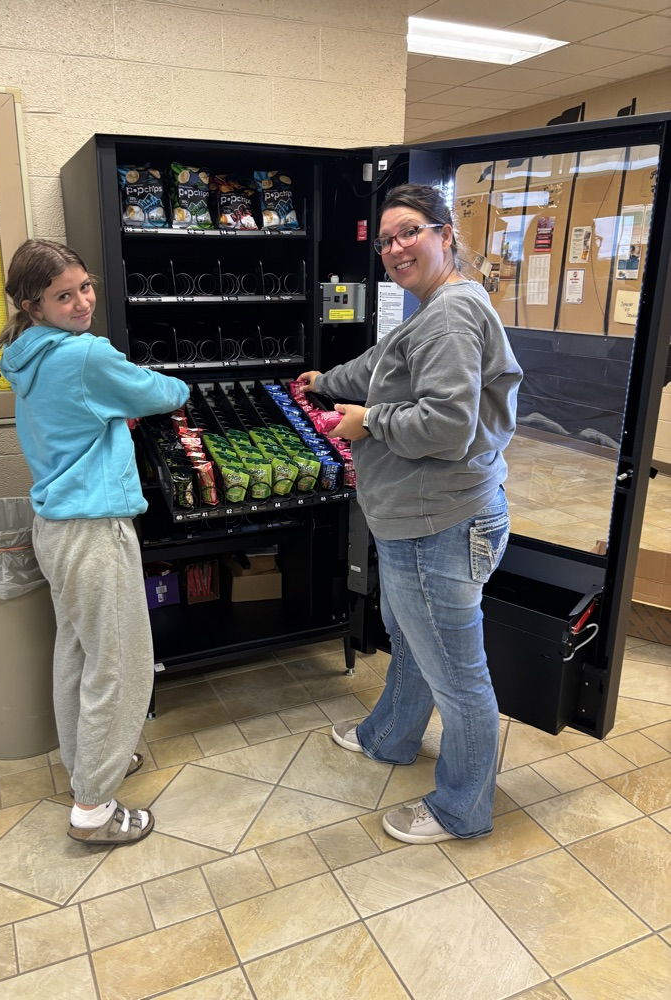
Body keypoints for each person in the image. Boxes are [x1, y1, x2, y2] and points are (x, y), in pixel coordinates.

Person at [299, 184, 522, 845]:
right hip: (423, 520)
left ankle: (461, 809)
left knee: (456, 674)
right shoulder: (435, 308)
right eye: (387, 239)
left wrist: (368, 423)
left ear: (444, 234)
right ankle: (389, 737)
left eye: (410, 233)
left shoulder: (450, 316)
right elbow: (382, 365)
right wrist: (326, 381)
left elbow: (448, 425)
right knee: (416, 643)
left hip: (439, 525)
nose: (396, 248)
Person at [0, 239, 189, 846]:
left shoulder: (26, 354)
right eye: (63, 295)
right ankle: (94, 808)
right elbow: (161, 394)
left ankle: (91, 763)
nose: (81, 302)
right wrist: (159, 390)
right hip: (95, 529)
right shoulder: (82, 356)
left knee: (77, 654)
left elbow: (80, 412)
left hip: (55, 528)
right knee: (121, 666)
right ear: (34, 303)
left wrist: (107, 411)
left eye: (84, 287)